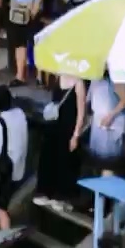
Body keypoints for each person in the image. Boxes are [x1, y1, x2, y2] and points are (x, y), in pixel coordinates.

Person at [33, 75, 88, 206]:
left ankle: (63, 196)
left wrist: (76, 135)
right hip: (53, 126)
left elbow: (81, 113)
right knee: (49, 159)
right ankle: (45, 191)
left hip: (69, 128)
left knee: (66, 161)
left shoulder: (79, 83)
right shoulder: (58, 76)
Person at [86, 77, 125, 171]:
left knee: (108, 163)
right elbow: (90, 99)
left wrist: (111, 115)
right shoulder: (94, 78)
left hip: (110, 126)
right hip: (98, 125)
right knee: (97, 161)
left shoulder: (114, 78)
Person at [1, 0, 45, 84]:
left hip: (32, 7)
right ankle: (20, 76)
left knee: (36, 42)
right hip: (17, 7)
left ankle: (40, 77)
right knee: (19, 42)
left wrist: (36, 6)